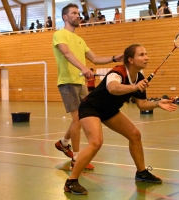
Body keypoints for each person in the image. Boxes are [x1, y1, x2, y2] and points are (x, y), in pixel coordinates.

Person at [64, 44, 178, 195]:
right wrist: (134, 87)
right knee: (96, 142)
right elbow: (113, 88)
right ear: (130, 59)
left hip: (109, 111)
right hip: (91, 108)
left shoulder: (139, 77)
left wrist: (157, 103)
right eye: (142, 54)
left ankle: (141, 172)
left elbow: (142, 105)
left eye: (146, 54)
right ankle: (71, 182)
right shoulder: (117, 72)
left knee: (135, 135)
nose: (146, 57)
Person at [53, 3, 123, 170]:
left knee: (83, 117)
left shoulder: (80, 40)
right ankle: (77, 159)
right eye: (74, 13)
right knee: (77, 120)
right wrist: (83, 68)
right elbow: (66, 53)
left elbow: (95, 59)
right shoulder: (59, 34)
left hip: (80, 83)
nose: (78, 15)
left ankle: (63, 143)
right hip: (67, 82)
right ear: (65, 17)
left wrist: (115, 58)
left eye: (78, 13)